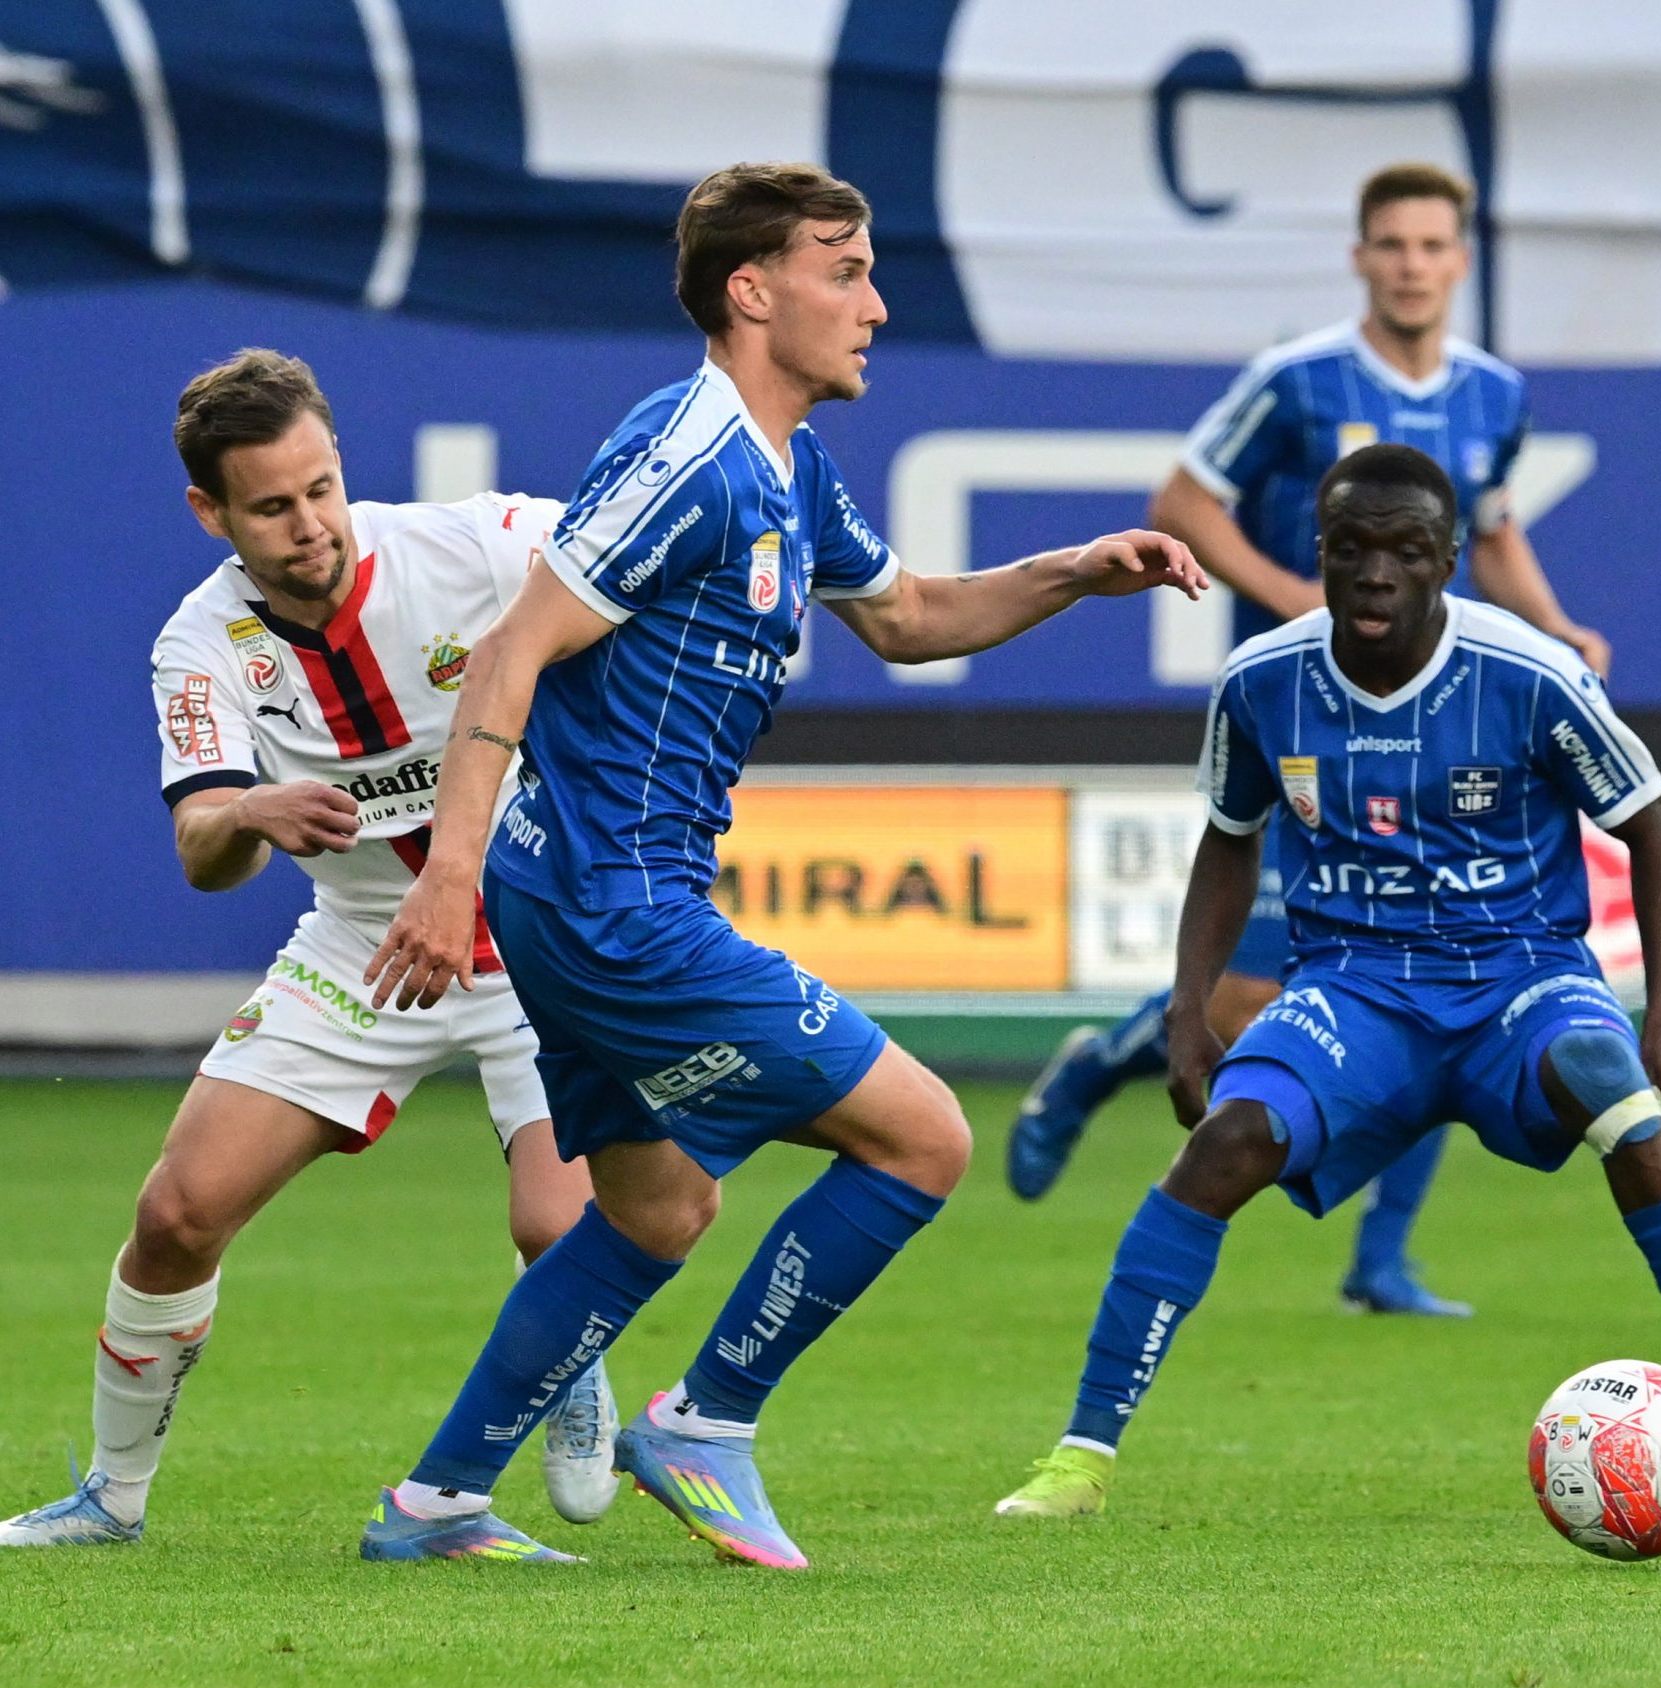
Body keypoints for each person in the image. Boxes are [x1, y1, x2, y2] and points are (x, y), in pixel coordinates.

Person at [355, 161, 1208, 1570]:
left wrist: (1071, 569)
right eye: (844, 270)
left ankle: (435, 1502)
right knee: (924, 1134)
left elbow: (913, 614)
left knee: (657, 1205)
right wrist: (444, 875)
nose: (873, 304)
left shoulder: (786, 463)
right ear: (751, 291)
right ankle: (706, 1421)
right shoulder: (688, 451)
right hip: (608, 899)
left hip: (585, 892)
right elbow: (515, 646)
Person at [995, 444, 1661, 1518]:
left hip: (1516, 975)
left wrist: (1658, 1020)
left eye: (1405, 551)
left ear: (1447, 560)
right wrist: (1187, 1011)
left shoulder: (1529, 672)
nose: (1376, 573)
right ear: (1315, 553)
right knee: (1223, 1142)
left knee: (1617, 1092)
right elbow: (1229, 840)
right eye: (1351, 549)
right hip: (1354, 987)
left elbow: (1651, 823)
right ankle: (1077, 1460)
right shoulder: (1261, 681)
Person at [0, 350, 613, 1551]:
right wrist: (245, 814)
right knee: (177, 1212)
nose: (310, 525)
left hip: (538, 937)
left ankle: (570, 1349)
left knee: (559, 1231)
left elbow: (638, 560)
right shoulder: (202, 643)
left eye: (321, 488)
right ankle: (112, 1498)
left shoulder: (476, 544)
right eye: (272, 507)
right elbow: (199, 847)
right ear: (210, 512)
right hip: (360, 943)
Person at [1008, 161, 1611, 1317]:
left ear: (1459, 260)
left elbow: (1486, 528)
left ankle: (1379, 1259)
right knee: (1247, 1001)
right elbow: (1180, 498)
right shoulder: (1295, 380)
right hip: (1311, 729)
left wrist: (1550, 626)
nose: (1410, 264)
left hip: (1433, 721)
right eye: (1389, 244)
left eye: (1431, 245)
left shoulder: (1492, 392)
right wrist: (1300, 599)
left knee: (1445, 966)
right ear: (1358, 257)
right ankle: (1113, 1054)